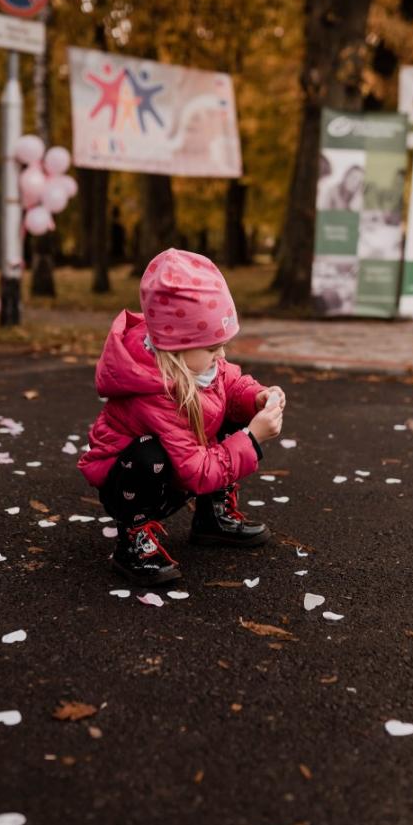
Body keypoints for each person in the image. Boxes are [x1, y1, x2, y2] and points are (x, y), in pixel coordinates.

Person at [78, 248, 286, 586]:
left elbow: (230, 384)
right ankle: (133, 540)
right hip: (133, 482)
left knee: (230, 410)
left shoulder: (193, 364)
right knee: (149, 454)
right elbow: (197, 472)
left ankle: (212, 519)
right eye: (212, 347)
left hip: (181, 465)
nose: (221, 354)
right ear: (175, 346)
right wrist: (252, 439)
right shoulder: (155, 393)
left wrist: (256, 398)